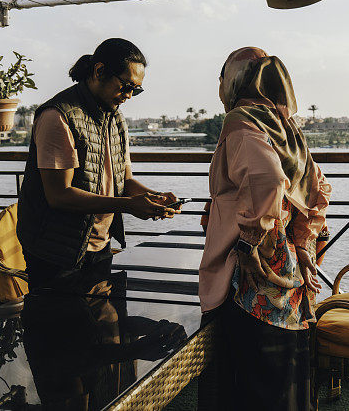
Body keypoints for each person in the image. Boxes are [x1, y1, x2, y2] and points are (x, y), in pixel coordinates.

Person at [199, 47, 332, 411]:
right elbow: (316, 189)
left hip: (249, 274)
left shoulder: (241, 121)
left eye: (223, 75)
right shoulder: (284, 127)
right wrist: (302, 245)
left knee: (249, 377)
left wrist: (249, 242)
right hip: (284, 265)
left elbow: (268, 180)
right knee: (282, 376)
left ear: (238, 79)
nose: (219, 83)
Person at [17, 38, 180, 291]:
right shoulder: (58, 116)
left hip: (99, 244)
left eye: (135, 90)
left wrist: (153, 197)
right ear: (99, 71)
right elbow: (59, 195)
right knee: (55, 326)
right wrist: (128, 206)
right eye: (125, 86)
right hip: (54, 250)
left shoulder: (115, 118)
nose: (128, 96)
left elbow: (123, 182)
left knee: (103, 323)